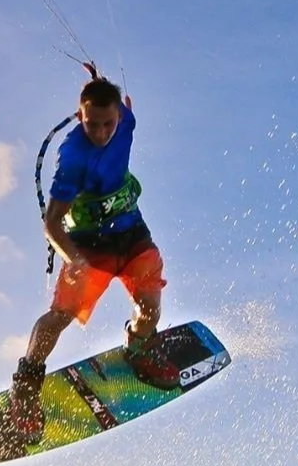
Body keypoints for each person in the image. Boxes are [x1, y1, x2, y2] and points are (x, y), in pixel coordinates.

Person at [11, 73, 181, 435]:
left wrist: (99, 78)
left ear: (119, 115)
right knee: (61, 316)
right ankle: (26, 386)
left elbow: (115, 103)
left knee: (150, 306)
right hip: (89, 244)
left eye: (108, 124)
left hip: (132, 233)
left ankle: (139, 347)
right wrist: (73, 258)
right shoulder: (72, 156)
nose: (101, 133)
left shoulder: (126, 121)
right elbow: (52, 223)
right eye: (92, 124)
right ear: (79, 115)